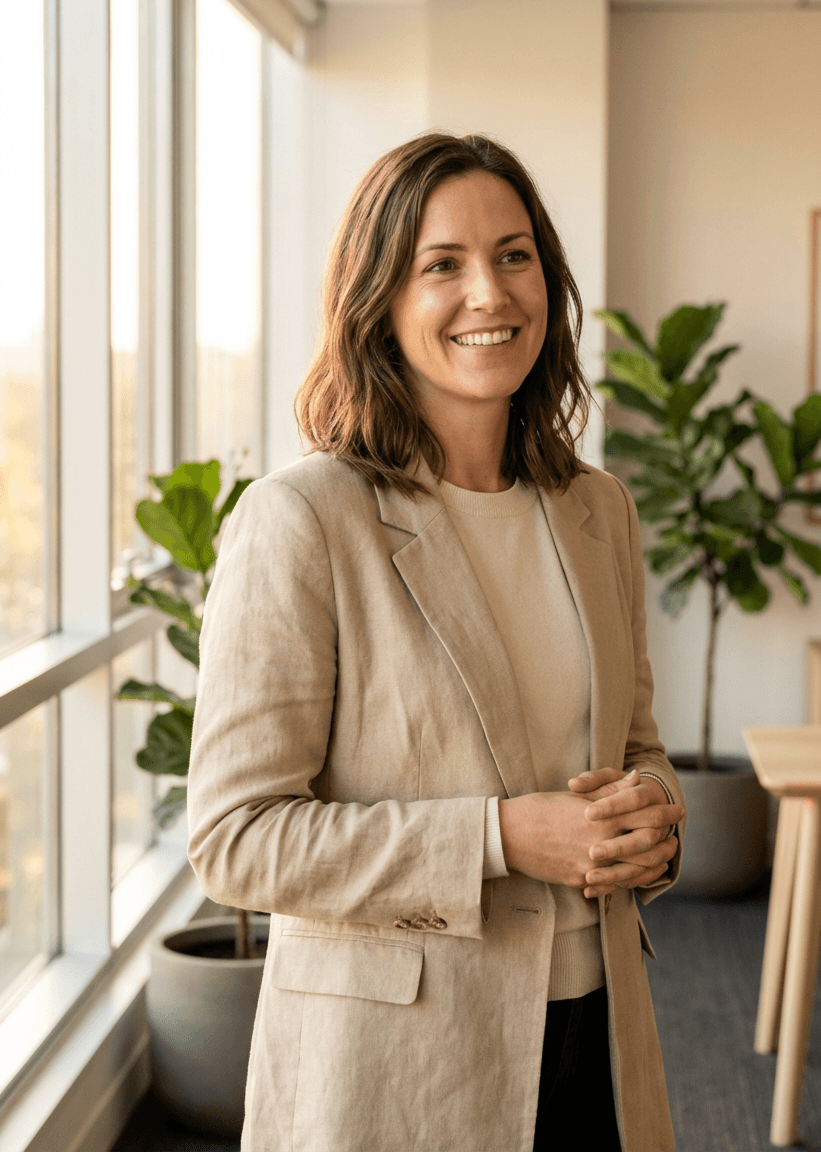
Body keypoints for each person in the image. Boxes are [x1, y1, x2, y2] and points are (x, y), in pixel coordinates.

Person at [187, 132, 685, 1152]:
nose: (490, 295)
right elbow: (235, 837)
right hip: (399, 1068)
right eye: (441, 265)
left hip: (599, 1034)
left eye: (513, 255)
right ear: (380, 300)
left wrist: (653, 812)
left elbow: (630, 746)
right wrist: (501, 838)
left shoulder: (598, 511)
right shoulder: (305, 520)